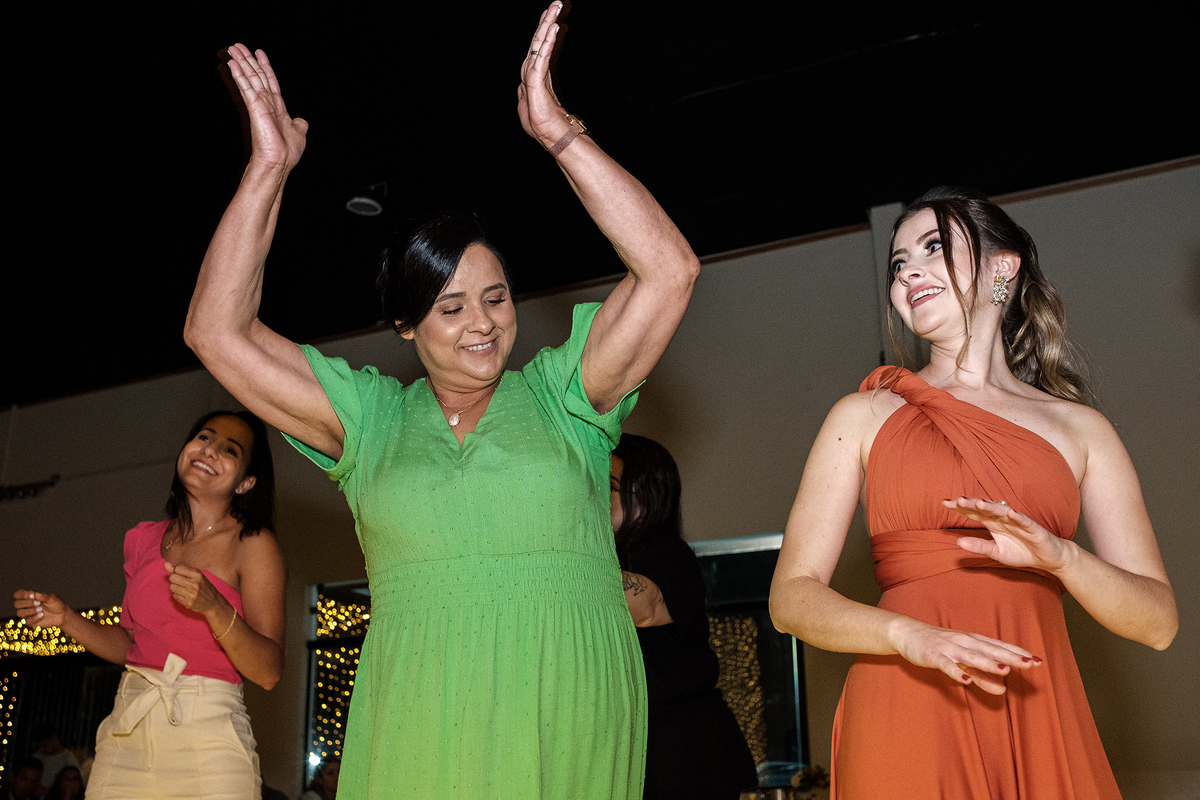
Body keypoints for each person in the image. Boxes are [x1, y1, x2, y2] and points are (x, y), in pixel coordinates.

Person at [184, 3, 699, 797]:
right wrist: (268, 169)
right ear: (404, 325)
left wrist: (561, 135)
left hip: (564, 708)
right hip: (419, 712)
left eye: (495, 298)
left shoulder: (567, 397)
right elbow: (215, 332)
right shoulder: (372, 421)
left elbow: (669, 269)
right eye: (450, 308)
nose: (482, 325)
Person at [769, 186, 1177, 799]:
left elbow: (1158, 623)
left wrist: (1062, 559)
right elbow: (791, 599)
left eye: (933, 248)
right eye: (898, 264)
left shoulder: (1082, 431)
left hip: (1035, 701)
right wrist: (907, 636)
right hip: (905, 695)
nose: (909, 273)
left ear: (1002, 269)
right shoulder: (863, 416)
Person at [13, 411, 284, 800]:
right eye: (205, 438)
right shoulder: (143, 539)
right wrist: (68, 619)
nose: (210, 450)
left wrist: (215, 607)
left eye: (230, 450)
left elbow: (269, 671)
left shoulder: (254, 545)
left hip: (208, 739)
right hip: (127, 731)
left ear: (246, 482)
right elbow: (131, 645)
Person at [611, 435, 758, 800]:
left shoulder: (668, 553)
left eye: (610, 487)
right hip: (644, 749)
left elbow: (645, 609)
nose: (594, 497)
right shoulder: (612, 555)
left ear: (646, 496)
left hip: (685, 752)